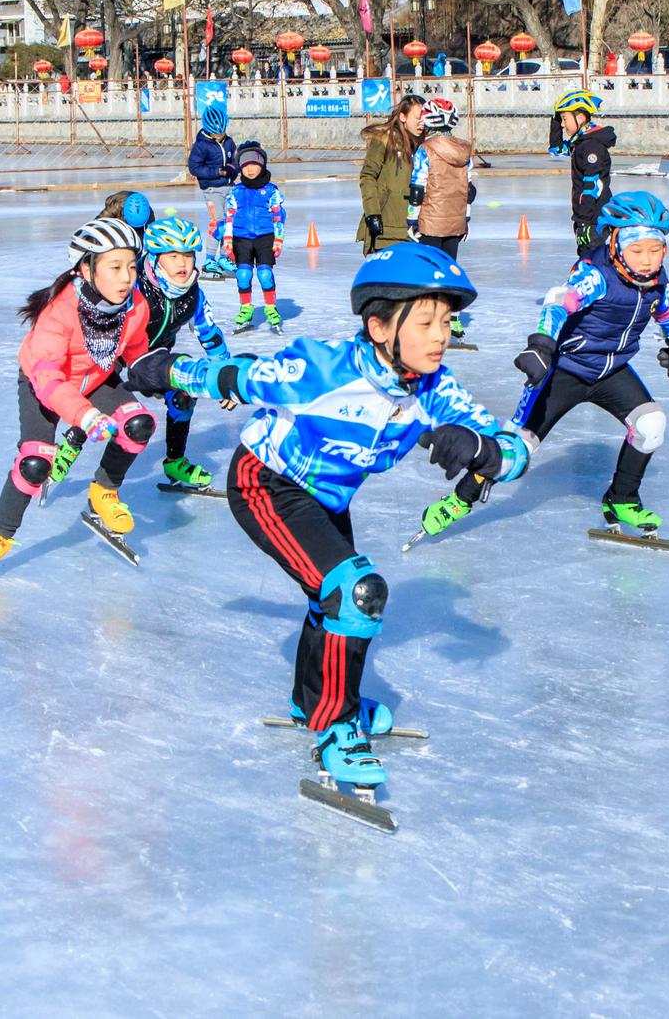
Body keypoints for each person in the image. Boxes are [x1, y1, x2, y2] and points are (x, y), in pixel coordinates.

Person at [147, 243, 527, 789]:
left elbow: (514, 448)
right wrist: (167, 369)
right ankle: (337, 725)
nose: (442, 334)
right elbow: (239, 376)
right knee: (355, 591)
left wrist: (486, 450)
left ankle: (314, 703)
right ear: (378, 326)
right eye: (426, 322)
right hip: (266, 483)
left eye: (447, 320)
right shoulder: (321, 369)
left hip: (327, 499)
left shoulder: (436, 390)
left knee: (330, 597)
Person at [421, 191, 669, 544]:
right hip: (564, 369)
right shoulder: (596, 276)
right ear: (614, 245)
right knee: (514, 451)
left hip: (611, 372)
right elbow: (558, 303)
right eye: (637, 250)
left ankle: (622, 498)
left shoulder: (658, 283)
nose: (647, 260)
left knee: (651, 424)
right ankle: (460, 499)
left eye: (656, 250)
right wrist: (542, 345)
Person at [0, 218, 158, 585]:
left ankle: (104, 491)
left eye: (132, 267)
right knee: (36, 461)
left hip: (95, 377)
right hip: (46, 384)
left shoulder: (135, 306)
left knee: (138, 423)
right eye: (115, 268)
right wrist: (84, 416)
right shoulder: (59, 313)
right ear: (86, 268)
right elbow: (48, 378)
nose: (126, 277)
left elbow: (137, 355)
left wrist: (168, 377)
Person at [135, 218, 232, 490]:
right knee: (100, 406)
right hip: (120, 358)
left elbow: (210, 335)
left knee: (183, 395)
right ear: (155, 257)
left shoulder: (193, 295)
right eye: (173, 255)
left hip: (156, 359)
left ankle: (174, 462)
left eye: (188, 255)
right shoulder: (135, 287)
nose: (182, 263)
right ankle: (69, 446)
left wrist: (224, 376)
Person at [406, 98, 476, 337]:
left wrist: (412, 219)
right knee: (450, 267)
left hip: (431, 220)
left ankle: (428, 317)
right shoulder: (465, 151)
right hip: (455, 220)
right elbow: (468, 190)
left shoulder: (425, 150)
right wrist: (466, 219)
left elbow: (418, 187)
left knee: (429, 269)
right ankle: (453, 318)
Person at [223, 143, 288, 333]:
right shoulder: (236, 192)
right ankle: (245, 308)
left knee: (265, 274)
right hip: (241, 238)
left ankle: (270, 307)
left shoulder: (271, 191)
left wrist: (278, 240)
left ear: (263, 165)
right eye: (245, 164)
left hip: (265, 237)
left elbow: (278, 218)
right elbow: (229, 218)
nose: (250, 169)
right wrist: (228, 241)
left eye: (255, 164)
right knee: (243, 275)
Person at [549, 89, 614, 254]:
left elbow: (591, 186)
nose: (563, 124)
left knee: (592, 264)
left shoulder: (591, 146)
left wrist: (584, 223)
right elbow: (556, 149)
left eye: (565, 119)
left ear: (580, 118)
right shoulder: (579, 142)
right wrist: (555, 118)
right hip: (585, 219)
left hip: (594, 220)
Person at [358, 94, 424, 253]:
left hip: (416, 227)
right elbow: (368, 177)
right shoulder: (384, 140)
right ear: (402, 116)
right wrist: (372, 214)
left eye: (424, 119)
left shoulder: (425, 146)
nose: (421, 123)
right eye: (417, 118)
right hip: (386, 225)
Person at [187, 101, 239, 277]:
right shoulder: (201, 146)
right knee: (219, 223)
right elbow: (194, 168)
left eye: (222, 131)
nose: (220, 135)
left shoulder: (229, 142)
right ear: (209, 130)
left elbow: (235, 161)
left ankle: (225, 256)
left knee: (230, 223)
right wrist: (217, 172)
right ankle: (210, 259)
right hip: (212, 190)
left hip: (229, 187)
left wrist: (233, 170)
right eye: (217, 132)